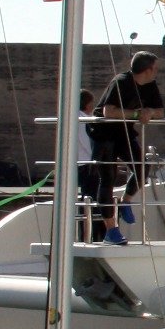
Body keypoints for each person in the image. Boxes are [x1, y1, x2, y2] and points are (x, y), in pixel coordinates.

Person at [96, 51, 164, 239]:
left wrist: (149, 111)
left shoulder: (150, 85)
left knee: (142, 167)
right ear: (147, 69)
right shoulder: (121, 82)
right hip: (104, 133)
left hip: (124, 132)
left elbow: (160, 111)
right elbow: (108, 111)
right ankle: (111, 229)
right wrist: (136, 114)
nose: (157, 72)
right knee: (108, 178)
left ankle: (126, 201)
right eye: (155, 68)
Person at [74, 89, 105, 241]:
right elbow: (90, 143)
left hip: (79, 165)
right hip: (89, 165)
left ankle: (85, 235)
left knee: (85, 200)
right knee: (93, 201)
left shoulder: (73, 118)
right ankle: (94, 236)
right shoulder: (86, 120)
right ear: (87, 104)